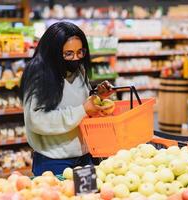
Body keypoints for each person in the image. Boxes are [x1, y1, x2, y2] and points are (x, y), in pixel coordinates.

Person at [20, 21, 114, 176]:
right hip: (53, 161)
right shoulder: (38, 78)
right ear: (53, 52)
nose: (76, 58)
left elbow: (78, 101)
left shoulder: (79, 70)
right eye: (68, 54)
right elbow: (37, 120)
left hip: (85, 155)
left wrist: (97, 96)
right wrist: (83, 110)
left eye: (80, 52)